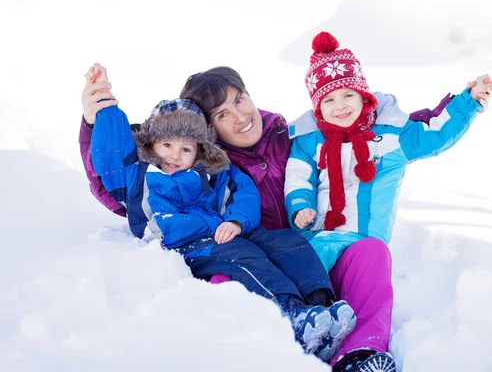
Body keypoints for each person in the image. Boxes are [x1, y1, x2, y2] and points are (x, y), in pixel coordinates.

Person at [79, 58, 492, 369]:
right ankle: (284, 353)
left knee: (372, 253)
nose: (241, 117)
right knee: (226, 279)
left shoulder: (291, 132)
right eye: (223, 114)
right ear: (205, 131)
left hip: (312, 250)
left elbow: (373, 128)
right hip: (253, 262)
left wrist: (458, 105)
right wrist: (93, 120)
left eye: (240, 100)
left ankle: (359, 352)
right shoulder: (204, 169)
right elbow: (122, 188)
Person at [86, 67, 357, 356]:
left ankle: (322, 307)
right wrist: (104, 106)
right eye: (167, 145)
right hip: (189, 246)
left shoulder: (215, 171)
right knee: (243, 257)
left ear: (200, 151)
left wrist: (238, 222)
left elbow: (246, 193)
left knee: (286, 242)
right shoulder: (139, 175)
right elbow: (111, 153)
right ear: (152, 144)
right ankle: (291, 314)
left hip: (230, 234)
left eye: (186, 149)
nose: (175, 155)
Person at [283, 31, 492, 371]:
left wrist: (467, 102)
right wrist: (300, 206)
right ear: (317, 106)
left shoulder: (393, 135)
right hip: (318, 239)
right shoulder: (309, 141)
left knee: (375, 262)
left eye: (348, 94)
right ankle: (298, 334)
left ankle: (359, 352)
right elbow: (298, 177)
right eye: (329, 100)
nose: (340, 106)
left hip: (361, 243)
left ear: (364, 95)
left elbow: (437, 133)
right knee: (299, 275)